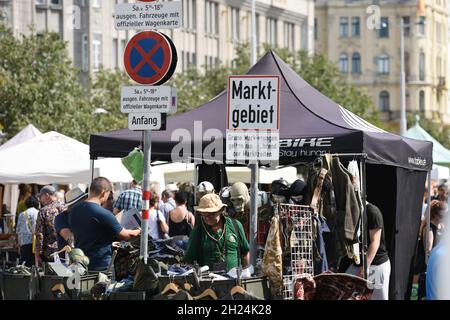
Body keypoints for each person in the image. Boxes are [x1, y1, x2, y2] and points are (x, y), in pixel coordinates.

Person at [69, 177, 141, 271]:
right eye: (109, 193)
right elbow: (125, 235)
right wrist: (139, 230)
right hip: (100, 265)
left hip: (80, 263)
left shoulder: (73, 210)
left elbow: (88, 233)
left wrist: (108, 244)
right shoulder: (103, 213)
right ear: (104, 192)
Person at [184, 194, 250, 272]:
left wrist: (246, 273)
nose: (207, 217)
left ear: (221, 210)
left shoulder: (236, 226)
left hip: (235, 280)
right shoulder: (198, 232)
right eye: (204, 214)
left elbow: (245, 252)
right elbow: (189, 261)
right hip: (208, 281)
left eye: (211, 214)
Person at [346, 202, 390, 300]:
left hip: (376, 266)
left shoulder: (372, 212)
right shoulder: (353, 211)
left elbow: (375, 241)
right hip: (358, 265)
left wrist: (364, 268)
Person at [416, 200, 447, 299]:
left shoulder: (442, 226)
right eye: (444, 215)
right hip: (429, 267)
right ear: (436, 215)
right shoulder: (429, 229)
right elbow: (428, 252)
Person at [34, 185, 65, 266]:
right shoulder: (65, 207)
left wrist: (37, 254)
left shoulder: (44, 211)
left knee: (51, 277)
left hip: (50, 253)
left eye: (41, 197)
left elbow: (39, 234)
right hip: (65, 251)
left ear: (47, 195)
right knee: (65, 276)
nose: (40, 200)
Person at [54, 187, 88, 256]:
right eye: (83, 201)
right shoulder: (61, 218)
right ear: (73, 205)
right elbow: (71, 240)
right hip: (69, 260)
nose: (86, 203)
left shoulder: (86, 215)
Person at [15, 196, 40, 267]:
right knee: (36, 266)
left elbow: (18, 230)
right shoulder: (38, 213)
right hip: (36, 243)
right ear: (37, 204)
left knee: (25, 266)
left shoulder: (22, 214)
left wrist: (18, 244)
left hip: (24, 243)